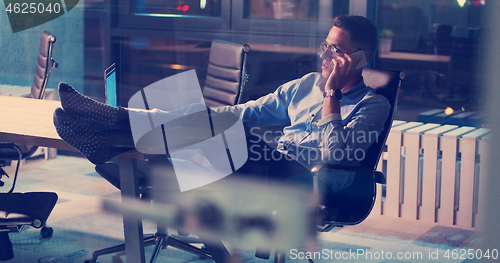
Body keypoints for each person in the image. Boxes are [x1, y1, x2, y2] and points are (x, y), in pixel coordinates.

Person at [54, 15, 389, 194]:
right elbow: (244, 112)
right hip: (270, 163)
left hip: (308, 179)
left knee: (229, 134)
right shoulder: (303, 86)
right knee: (218, 123)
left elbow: (338, 158)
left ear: (359, 58)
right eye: (325, 47)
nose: (326, 57)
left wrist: (332, 93)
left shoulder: (373, 106)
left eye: (336, 51)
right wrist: (184, 115)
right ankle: (114, 127)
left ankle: (112, 134)